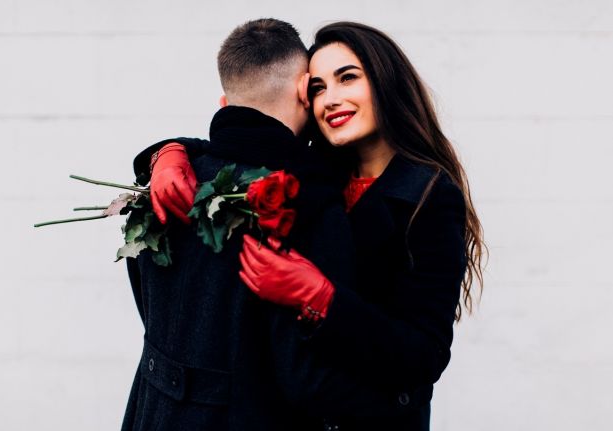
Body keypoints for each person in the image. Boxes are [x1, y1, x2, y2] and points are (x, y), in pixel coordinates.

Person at [147, 21, 486, 430]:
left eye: (348, 78)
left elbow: (424, 355)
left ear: (385, 80)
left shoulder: (429, 195)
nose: (331, 99)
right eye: (319, 88)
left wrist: (320, 296)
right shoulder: (319, 170)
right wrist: (167, 154)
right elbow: (237, 137)